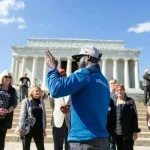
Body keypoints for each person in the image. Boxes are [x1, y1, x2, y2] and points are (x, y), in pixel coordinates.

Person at [45, 46, 110, 150]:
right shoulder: (103, 81)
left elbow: (56, 89)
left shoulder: (84, 73)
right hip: (101, 139)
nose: (77, 62)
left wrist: (52, 69)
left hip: (84, 140)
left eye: (79, 58)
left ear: (87, 57)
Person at [18, 85, 47, 150]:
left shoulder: (42, 102)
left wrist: (44, 129)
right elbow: (22, 115)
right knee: (26, 148)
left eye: (39, 91)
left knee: (41, 148)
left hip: (39, 129)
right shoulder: (26, 101)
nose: (38, 92)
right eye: (36, 91)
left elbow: (44, 116)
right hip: (27, 128)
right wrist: (21, 127)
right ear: (32, 92)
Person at [113, 83, 140, 150]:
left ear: (124, 91)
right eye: (117, 90)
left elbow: (134, 117)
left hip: (128, 131)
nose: (119, 91)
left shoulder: (130, 101)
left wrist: (135, 132)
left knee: (129, 148)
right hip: (117, 132)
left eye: (121, 90)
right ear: (115, 92)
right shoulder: (113, 102)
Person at [50, 68, 70, 150]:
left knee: (69, 146)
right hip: (57, 121)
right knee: (57, 146)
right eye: (60, 76)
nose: (62, 77)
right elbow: (52, 105)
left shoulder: (71, 90)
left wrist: (69, 108)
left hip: (69, 122)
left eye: (64, 75)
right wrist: (59, 108)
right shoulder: (53, 91)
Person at [0, 70, 18, 150]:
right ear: (2, 78)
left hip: (6, 117)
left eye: (9, 77)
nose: (8, 78)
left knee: (1, 138)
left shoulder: (12, 90)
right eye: (6, 76)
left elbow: (14, 102)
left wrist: (7, 111)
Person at [108, 78, 118, 150]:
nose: (113, 85)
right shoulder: (107, 94)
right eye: (111, 83)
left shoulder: (120, 93)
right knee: (111, 144)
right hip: (110, 122)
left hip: (119, 122)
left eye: (114, 83)